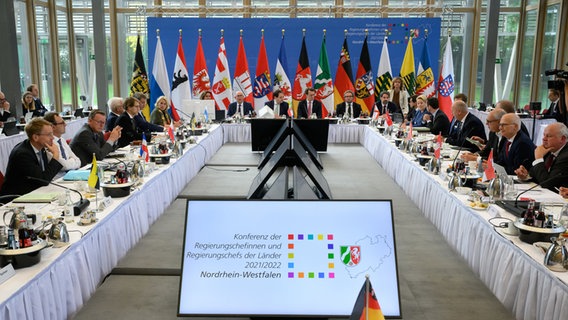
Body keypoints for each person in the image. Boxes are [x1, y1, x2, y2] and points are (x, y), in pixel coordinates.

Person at [0, 118, 62, 197]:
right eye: (49, 134)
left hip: (34, 191)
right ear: (35, 137)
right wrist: (56, 155)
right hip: (17, 197)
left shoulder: (41, 147)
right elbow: (44, 180)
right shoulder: (22, 154)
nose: (53, 137)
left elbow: (45, 176)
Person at [515, 123, 568, 191]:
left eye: (548, 136)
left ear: (562, 139)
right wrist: (526, 176)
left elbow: (546, 183)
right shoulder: (549, 151)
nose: (544, 139)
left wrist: (539, 159)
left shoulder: (565, 157)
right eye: (544, 135)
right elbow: (536, 175)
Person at [43, 112, 81, 176]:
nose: (65, 124)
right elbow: (63, 166)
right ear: (52, 126)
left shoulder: (62, 140)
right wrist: (72, 160)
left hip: (71, 175)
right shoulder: (49, 143)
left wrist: (70, 162)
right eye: (62, 123)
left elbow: (78, 161)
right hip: (57, 180)